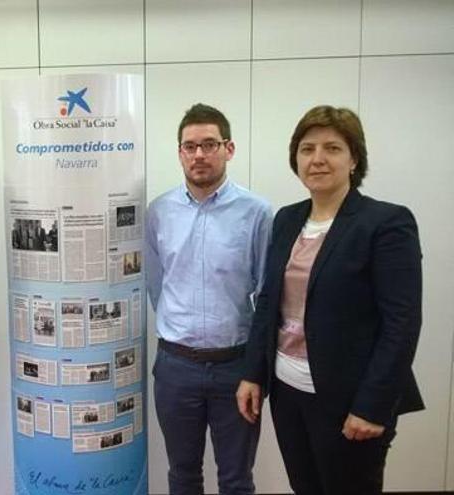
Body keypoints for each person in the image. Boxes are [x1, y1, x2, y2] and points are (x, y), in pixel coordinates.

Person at [236, 105, 423, 494]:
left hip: (349, 399)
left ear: (354, 159)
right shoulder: (287, 219)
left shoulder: (385, 223)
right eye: (307, 149)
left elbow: (401, 325)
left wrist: (372, 406)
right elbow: (268, 301)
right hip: (287, 392)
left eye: (332, 148)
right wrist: (253, 372)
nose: (317, 159)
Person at [145, 103, 273, 494]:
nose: (199, 154)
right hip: (175, 367)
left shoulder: (257, 212)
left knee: (236, 479)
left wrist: (255, 371)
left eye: (209, 144)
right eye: (190, 146)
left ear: (228, 149)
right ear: (180, 153)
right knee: (182, 475)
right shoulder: (159, 212)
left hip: (236, 369)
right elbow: (156, 284)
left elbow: (267, 293)